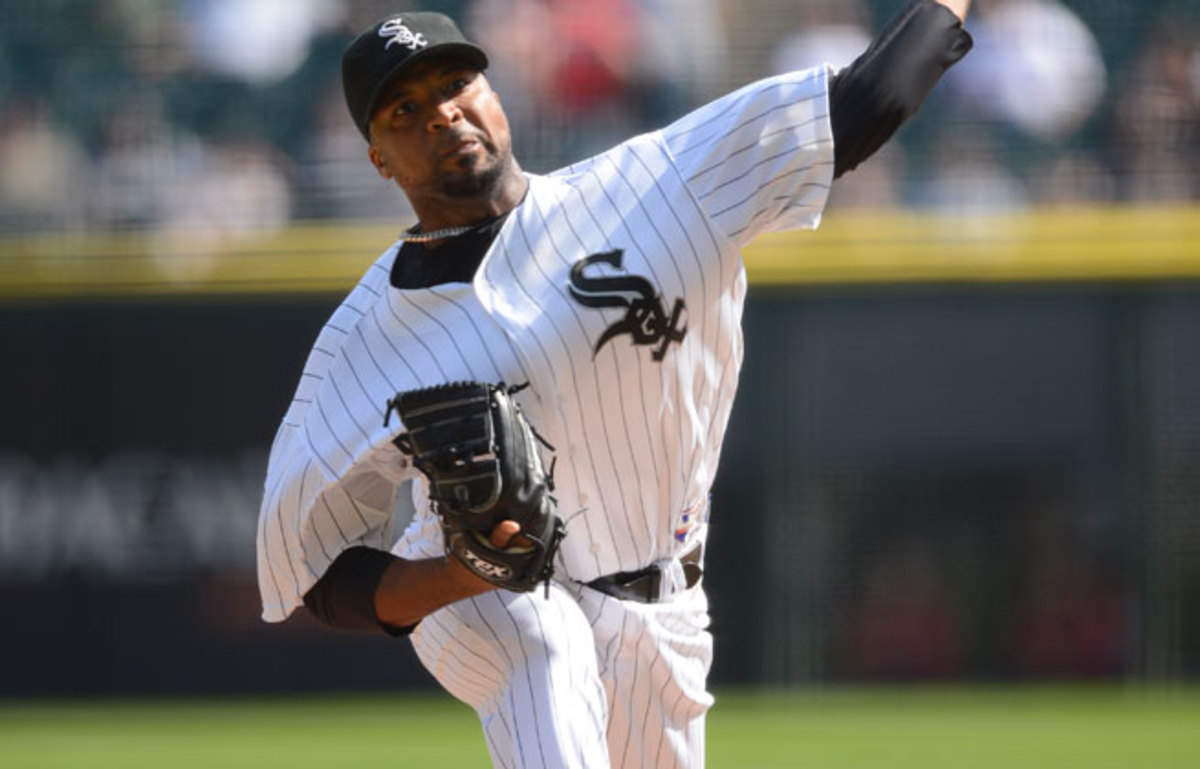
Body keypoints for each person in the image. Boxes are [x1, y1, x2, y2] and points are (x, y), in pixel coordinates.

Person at [256, 3, 974, 767]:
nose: (444, 113)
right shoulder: (364, 340)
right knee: (548, 644)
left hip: (663, 610)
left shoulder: (658, 184)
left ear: (495, 94)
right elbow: (318, 573)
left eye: (457, 82)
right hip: (494, 598)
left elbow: (870, 103)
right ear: (379, 158)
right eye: (406, 108)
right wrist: (453, 575)